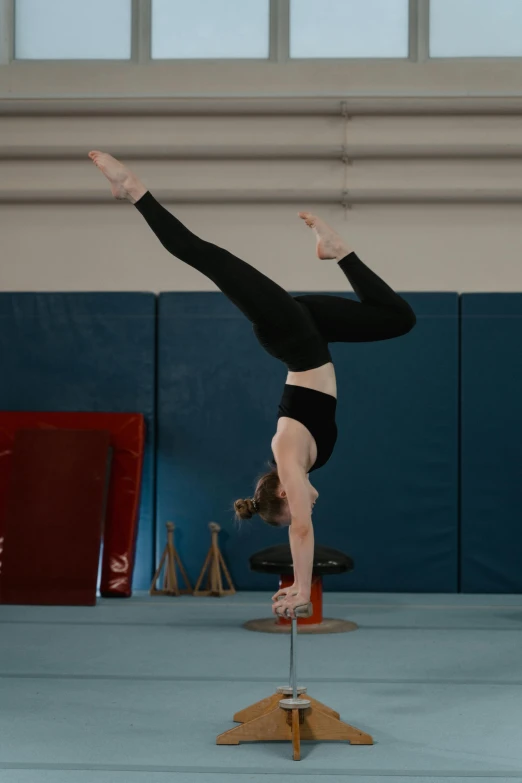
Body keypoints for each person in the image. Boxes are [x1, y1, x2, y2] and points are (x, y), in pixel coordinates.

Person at [88, 150, 416, 619]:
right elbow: (298, 523)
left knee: (208, 257)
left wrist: (301, 588)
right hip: (310, 332)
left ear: (284, 494)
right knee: (399, 319)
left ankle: (133, 191)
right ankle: (338, 252)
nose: (306, 509)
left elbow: (299, 531)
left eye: (294, 507)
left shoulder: (289, 460)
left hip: (291, 336)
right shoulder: (301, 463)